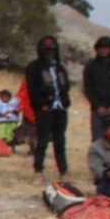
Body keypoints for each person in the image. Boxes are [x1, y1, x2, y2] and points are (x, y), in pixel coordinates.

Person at [23, 35, 72, 177]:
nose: (49, 53)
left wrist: (65, 101)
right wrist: (42, 104)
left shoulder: (59, 68)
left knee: (60, 141)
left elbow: (65, 86)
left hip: (60, 108)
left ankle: (63, 171)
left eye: (52, 50)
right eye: (46, 50)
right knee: (42, 140)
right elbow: (32, 89)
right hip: (44, 109)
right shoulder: (34, 67)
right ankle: (38, 170)